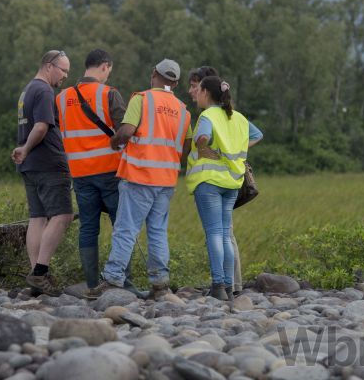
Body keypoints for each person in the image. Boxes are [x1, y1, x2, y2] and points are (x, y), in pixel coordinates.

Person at [88, 59, 192, 300]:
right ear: (175, 83)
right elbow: (185, 148)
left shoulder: (142, 99)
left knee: (126, 229)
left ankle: (113, 278)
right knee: (157, 231)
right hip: (166, 180)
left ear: (153, 73)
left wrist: (114, 142)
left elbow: (125, 131)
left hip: (140, 177)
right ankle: (160, 283)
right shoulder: (183, 110)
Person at [55, 49, 140, 296]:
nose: (108, 75)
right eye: (109, 70)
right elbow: (125, 129)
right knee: (121, 226)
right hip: (110, 171)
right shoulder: (109, 93)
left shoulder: (61, 98)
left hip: (79, 173)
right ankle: (124, 283)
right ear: (104, 66)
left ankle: (92, 284)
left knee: (89, 227)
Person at [185, 75, 263, 300]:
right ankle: (228, 287)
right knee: (225, 234)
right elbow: (257, 135)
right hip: (232, 182)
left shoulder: (207, 115)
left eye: (198, 90)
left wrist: (203, 148)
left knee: (214, 234)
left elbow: (202, 138)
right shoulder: (238, 118)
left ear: (207, 93)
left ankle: (218, 284)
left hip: (209, 181)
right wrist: (234, 147)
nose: (196, 94)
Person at [11, 50, 74, 296]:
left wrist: (24, 151)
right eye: (63, 70)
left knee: (37, 218)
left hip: (30, 166)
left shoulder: (27, 90)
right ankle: (40, 272)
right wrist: (26, 148)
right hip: (48, 162)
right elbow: (41, 126)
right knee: (63, 216)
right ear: (49, 66)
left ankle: (35, 273)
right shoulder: (45, 91)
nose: (65, 76)